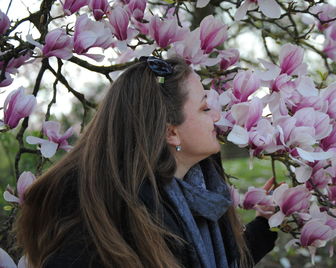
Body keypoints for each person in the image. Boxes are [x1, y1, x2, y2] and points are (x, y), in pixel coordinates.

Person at [16, 57, 277, 268]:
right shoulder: (107, 219)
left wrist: (263, 224)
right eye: (205, 108)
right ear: (170, 132)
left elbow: (220, 261)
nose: (218, 116)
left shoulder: (202, 195)